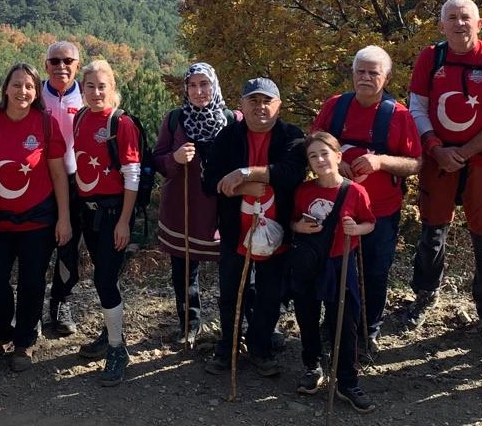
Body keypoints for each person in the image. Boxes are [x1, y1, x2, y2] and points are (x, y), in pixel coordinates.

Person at [404, 0, 482, 348]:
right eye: (451, 18)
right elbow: (416, 107)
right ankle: (425, 296)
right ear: (441, 26)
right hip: (439, 158)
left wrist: (464, 152)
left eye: (465, 17)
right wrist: (438, 149)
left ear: (479, 23)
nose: (459, 24)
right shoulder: (431, 57)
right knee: (431, 233)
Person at [309, 46, 420, 354]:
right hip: (335, 205)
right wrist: (334, 160)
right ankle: (333, 325)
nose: (366, 77)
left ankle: (367, 330)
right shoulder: (336, 106)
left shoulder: (398, 115)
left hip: (380, 211)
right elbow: (314, 140)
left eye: (374, 72)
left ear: (386, 77)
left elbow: (415, 164)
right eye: (361, 71)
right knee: (333, 268)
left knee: (373, 271)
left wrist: (381, 162)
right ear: (353, 73)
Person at [0, 63, 72, 371]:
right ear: (5, 88)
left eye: (29, 86)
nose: (22, 91)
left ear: (36, 91)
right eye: (17, 85)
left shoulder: (45, 124)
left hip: (37, 220)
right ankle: (3, 330)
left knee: (32, 283)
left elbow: (58, 175)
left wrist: (63, 218)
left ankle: (24, 342)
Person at [201, 78, 307, 376]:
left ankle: (260, 346)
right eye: (253, 101)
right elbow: (209, 182)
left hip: (278, 231)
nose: (260, 107)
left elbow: (292, 173)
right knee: (230, 292)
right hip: (236, 231)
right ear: (242, 106)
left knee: (270, 294)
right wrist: (241, 187)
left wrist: (246, 173)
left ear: (278, 105)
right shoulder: (228, 136)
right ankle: (228, 345)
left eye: (266, 101)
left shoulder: (291, 135)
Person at [65, 58, 142, 385]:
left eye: (102, 86)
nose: (96, 92)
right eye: (90, 86)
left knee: (104, 281)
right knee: (103, 276)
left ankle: (116, 348)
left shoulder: (120, 124)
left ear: (113, 89)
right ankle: (111, 332)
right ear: (82, 89)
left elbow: (132, 175)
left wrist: (125, 221)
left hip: (113, 215)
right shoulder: (81, 117)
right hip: (90, 214)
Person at [290, 132, 376, 411]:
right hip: (310, 263)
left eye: (325, 153)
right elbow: (292, 222)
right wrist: (298, 227)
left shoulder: (355, 191)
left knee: (346, 321)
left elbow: (370, 223)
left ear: (338, 156)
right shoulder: (303, 191)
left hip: (341, 262)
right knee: (307, 314)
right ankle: (312, 366)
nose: (319, 160)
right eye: (313, 156)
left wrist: (357, 229)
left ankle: (347, 381)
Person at [154, 62, 234, 348]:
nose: (199, 91)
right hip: (183, 207)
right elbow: (158, 160)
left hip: (221, 211)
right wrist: (174, 158)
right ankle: (189, 324)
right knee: (184, 270)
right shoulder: (175, 120)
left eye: (204, 84)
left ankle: (233, 329)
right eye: (192, 85)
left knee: (233, 272)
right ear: (185, 89)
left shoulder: (231, 119)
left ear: (214, 85)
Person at [40, 39, 86, 337]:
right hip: (37, 181)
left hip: (76, 181)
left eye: (67, 61)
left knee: (68, 247)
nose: (61, 66)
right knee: (38, 247)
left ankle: (61, 302)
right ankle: (31, 309)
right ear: (46, 65)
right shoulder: (34, 94)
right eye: (55, 61)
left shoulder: (88, 95)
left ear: (77, 66)